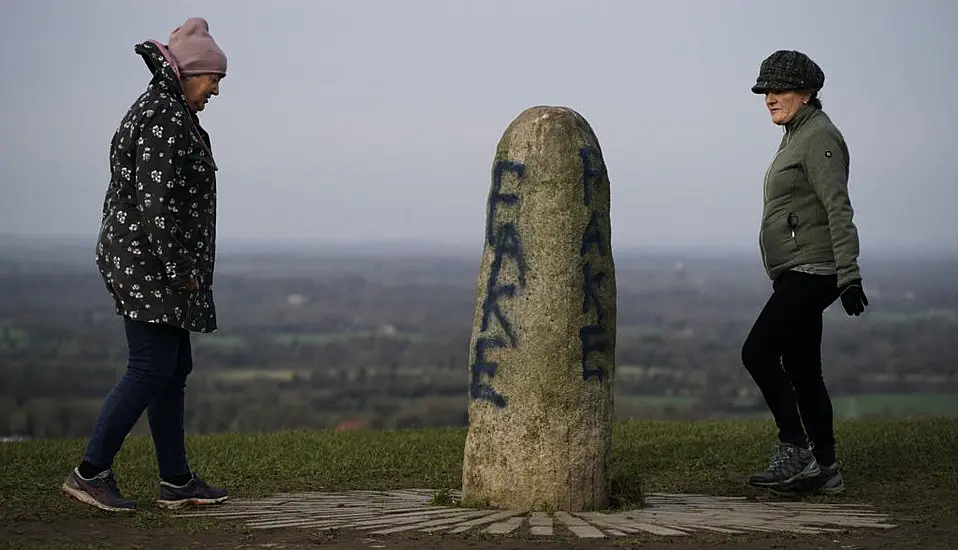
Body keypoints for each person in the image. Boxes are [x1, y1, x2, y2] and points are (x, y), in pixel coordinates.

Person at [61, 17, 230, 512]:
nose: (215, 91)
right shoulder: (162, 115)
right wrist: (180, 268)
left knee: (172, 366)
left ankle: (175, 481)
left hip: (151, 259)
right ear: (189, 72)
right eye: (213, 80)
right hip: (148, 261)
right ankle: (90, 472)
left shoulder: (169, 110)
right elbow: (156, 203)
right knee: (151, 364)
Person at [742, 50, 868, 496]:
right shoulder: (796, 134)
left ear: (807, 93)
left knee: (757, 352)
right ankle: (826, 470)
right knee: (802, 370)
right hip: (799, 268)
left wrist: (849, 277)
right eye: (765, 90)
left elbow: (838, 207)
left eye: (778, 90)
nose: (769, 98)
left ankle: (795, 447)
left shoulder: (818, 138)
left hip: (815, 269)